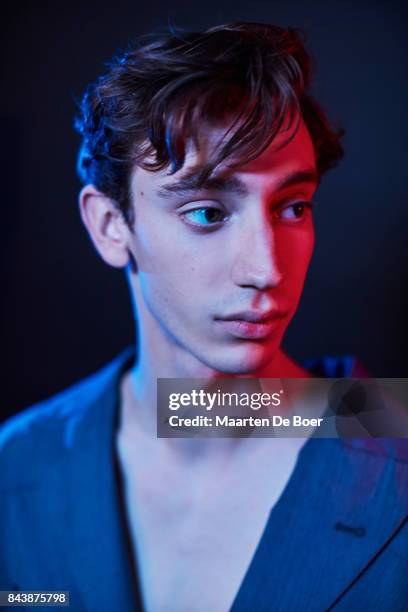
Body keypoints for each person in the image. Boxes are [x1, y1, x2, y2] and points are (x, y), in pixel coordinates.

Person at [1, 22, 407, 612]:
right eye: (206, 213)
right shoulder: (17, 468)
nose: (267, 268)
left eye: (293, 207)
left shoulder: (394, 435)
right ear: (111, 226)